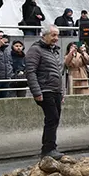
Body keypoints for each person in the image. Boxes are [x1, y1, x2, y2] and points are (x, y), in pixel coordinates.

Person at [24, 24, 64, 159]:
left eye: (57, 35)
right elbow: (30, 72)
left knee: (55, 118)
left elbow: (59, 73)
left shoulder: (54, 51)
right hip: (45, 90)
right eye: (53, 35)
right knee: (52, 118)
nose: (56, 38)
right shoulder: (36, 50)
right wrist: (37, 92)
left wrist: (61, 92)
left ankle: (51, 147)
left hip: (55, 90)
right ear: (44, 35)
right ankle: (48, 149)